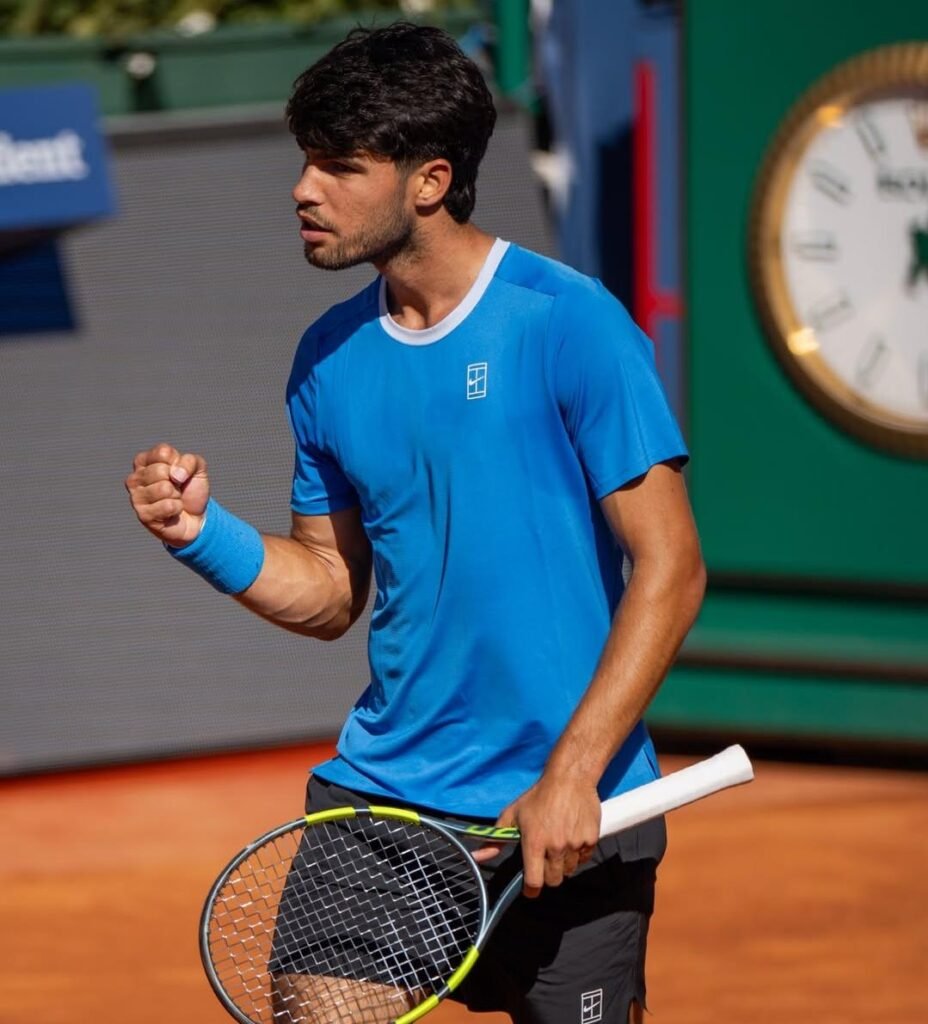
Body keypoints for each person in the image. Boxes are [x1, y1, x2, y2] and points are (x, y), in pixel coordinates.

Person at [124, 22, 705, 1024]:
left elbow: (671, 569)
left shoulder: (567, 324)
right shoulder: (327, 359)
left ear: (428, 181)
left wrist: (568, 774)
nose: (304, 189)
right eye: (305, 161)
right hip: (385, 808)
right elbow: (329, 590)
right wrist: (201, 532)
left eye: (338, 166)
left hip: (575, 810)